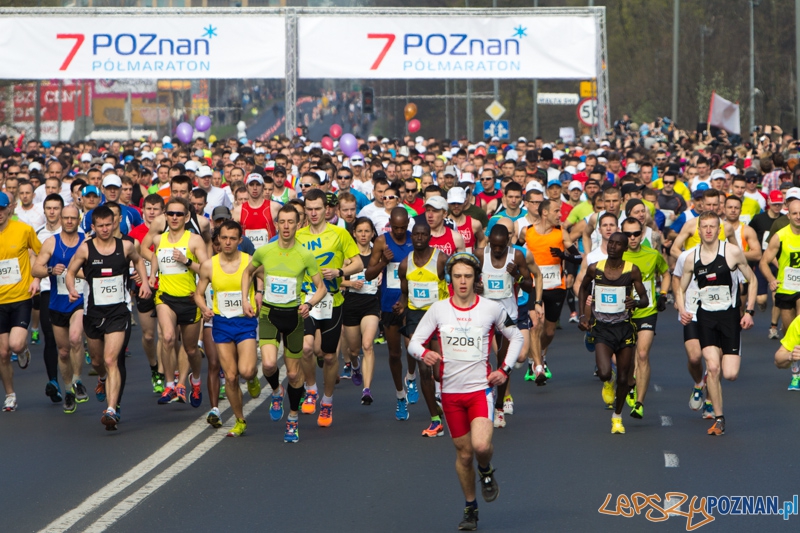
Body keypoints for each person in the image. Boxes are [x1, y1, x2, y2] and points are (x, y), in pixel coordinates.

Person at [408, 253, 523, 531]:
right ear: (450, 280)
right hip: (449, 394)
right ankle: (471, 507)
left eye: (468, 276)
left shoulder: (490, 309)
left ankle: (486, 470)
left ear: (476, 280)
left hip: (479, 391)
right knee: (464, 455)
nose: (462, 281)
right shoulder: (438, 310)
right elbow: (413, 343)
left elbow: (516, 336)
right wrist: (425, 354)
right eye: (457, 276)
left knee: (481, 447)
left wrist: (504, 369)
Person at [242, 204, 327, 442]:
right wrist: (245, 300)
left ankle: (292, 418)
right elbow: (247, 273)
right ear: (276, 224)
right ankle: (276, 392)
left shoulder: (305, 255)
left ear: (298, 225)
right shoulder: (265, 251)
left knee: (292, 373)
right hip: (269, 313)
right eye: (282, 222)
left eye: (291, 222)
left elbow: (322, 287)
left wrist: (309, 304)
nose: (286, 226)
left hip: (293, 317)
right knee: (268, 365)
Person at [65, 205, 151, 429]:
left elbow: (140, 260)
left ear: (115, 224)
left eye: (108, 225)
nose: (105, 229)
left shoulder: (125, 247)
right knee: (97, 361)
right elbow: (71, 271)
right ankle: (102, 379)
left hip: (118, 311)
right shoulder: (86, 249)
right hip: (93, 312)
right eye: (100, 226)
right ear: (93, 227)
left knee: (112, 359)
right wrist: (72, 289)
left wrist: (145, 283)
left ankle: (112, 409)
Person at [675, 213, 757, 436]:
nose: (709, 230)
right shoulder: (692, 257)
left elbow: (752, 280)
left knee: (730, 374)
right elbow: (680, 288)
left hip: (729, 317)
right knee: (713, 367)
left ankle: (712, 380)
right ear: (699, 231)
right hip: (706, 318)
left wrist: (749, 311)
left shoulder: (731, 252)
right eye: (705, 227)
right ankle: (719, 419)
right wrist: (683, 310)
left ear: (719, 230)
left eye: (713, 227)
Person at [296, 189, 363, 427]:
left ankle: (327, 401)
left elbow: (358, 262)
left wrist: (339, 272)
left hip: (333, 300)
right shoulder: (298, 235)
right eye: (309, 209)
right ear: (305, 209)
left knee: (329, 354)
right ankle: (311, 389)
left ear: (327, 209)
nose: (313, 213)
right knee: (305, 348)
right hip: (306, 298)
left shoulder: (340, 234)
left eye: (318, 208)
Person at [578, 232, 649, 433]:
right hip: (602, 328)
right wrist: (584, 317)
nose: (613, 246)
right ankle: (607, 381)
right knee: (604, 372)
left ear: (625, 248)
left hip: (624, 328)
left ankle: (617, 417)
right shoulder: (595, 268)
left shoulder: (632, 270)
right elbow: (583, 289)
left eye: (618, 244)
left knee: (625, 378)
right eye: (611, 242)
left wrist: (635, 302)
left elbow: (644, 299)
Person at [474, 224, 542, 425]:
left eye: (500, 246)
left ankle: (499, 408)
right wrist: (475, 286)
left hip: (507, 315)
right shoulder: (479, 255)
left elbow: (529, 286)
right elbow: (466, 279)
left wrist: (518, 276)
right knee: (480, 359)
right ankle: (482, 401)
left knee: (504, 362)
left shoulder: (516, 256)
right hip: (484, 313)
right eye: (493, 246)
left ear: (508, 243)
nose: (496, 250)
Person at [195, 220, 258, 435]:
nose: (228, 242)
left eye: (233, 238)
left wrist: (257, 297)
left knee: (247, 370)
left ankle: (252, 378)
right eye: (224, 238)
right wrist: (204, 307)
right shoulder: (209, 265)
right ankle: (240, 420)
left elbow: (264, 281)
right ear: (218, 240)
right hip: (221, 323)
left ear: (240, 240)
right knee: (230, 377)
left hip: (244, 321)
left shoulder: (250, 261)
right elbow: (198, 293)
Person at [148, 198, 210, 407]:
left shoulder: (194, 240)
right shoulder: (159, 239)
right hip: (165, 297)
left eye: (179, 214)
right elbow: (152, 255)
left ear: (187, 217)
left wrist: (186, 261)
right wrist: (151, 274)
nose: (174, 217)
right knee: (167, 337)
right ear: (165, 215)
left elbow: (206, 269)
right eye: (171, 214)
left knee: (191, 349)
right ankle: (170, 384)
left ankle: (193, 380)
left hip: (190, 299)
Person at [31, 204, 89, 413]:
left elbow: (95, 267)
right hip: (57, 301)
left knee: (75, 338)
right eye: (66, 218)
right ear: (62, 220)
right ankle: (68, 391)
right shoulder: (51, 242)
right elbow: (35, 269)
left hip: (79, 299)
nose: (69, 221)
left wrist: (79, 273)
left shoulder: (86, 242)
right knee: (63, 351)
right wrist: (50, 270)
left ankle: (77, 379)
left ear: (78, 219)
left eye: (73, 218)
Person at [397, 221, 449, 434]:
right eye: (415, 235)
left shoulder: (441, 260)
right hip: (416, 318)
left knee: (439, 372)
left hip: (438, 316)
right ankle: (435, 418)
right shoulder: (405, 263)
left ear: (429, 236)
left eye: (423, 234)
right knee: (424, 369)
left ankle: (446, 401)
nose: (419, 238)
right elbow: (404, 291)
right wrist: (400, 304)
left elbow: (455, 283)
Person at [521, 199, 580, 382]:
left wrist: (563, 255)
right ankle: (538, 367)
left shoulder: (561, 233)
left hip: (556, 287)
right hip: (533, 286)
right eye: (557, 211)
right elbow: (514, 250)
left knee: (549, 332)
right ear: (544, 213)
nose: (560, 215)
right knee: (536, 324)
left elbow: (578, 257)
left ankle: (537, 356)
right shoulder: (527, 232)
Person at [364, 207, 417, 411]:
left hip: (411, 301)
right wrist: (384, 261)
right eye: (396, 228)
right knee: (394, 354)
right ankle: (400, 396)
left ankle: (411, 376)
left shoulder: (415, 240)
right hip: (388, 303)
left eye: (403, 227)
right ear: (390, 224)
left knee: (412, 346)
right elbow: (369, 274)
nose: (400, 231)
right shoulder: (382, 241)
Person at [620, 217, 670, 419]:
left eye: (636, 234)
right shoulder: (617, 256)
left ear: (642, 234)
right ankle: (631, 383)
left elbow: (666, 273)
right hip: (623, 315)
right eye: (627, 234)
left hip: (647, 311)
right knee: (627, 358)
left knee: (642, 354)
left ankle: (639, 403)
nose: (632, 238)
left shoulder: (652, 254)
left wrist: (664, 294)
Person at [0, 192, 40, 412]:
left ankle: (23, 350)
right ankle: (10, 394)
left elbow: (42, 253)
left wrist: (36, 278)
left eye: (2, 209)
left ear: (9, 209)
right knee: (2, 353)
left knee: (15, 345)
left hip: (21, 297)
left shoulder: (23, 230)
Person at [760, 190, 800, 390]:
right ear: (789, 215)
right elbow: (764, 262)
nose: (798, 216)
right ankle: (795, 373)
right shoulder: (780, 236)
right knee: (790, 330)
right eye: (794, 213)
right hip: (786, 288)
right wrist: (771, 279)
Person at [340, 217, 380, 406]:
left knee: (367, 345)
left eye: (367, 231)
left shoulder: (377, 254)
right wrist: (350, 283)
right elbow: (336, 280)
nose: (363, 235)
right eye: (360, 231)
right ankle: (354, 365)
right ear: (354, 233)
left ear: (372, 233)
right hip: (351, 305)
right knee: (354, 350)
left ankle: (367, 390)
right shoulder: (348, 256)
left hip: (370, 305)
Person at [128, 194, 166, 393]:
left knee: (164, 334)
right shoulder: (136, 233)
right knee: (149, 336)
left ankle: (162, 371)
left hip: (165, 287)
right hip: (145, 288)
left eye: (156, 209)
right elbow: (130, 260)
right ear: (143, 211)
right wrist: (134, 275)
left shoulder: (168, 231)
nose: (152, 212)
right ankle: (153, 366)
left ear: (162, 211)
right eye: (149, 208)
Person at [232, 173, 280, 249]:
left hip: (269, 254)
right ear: (247, 187)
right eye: (251, 185)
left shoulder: (274, 207)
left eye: (258, 184)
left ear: (263, 187)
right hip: (247, 255)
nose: (255, 188)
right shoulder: (238, 211)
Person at [448, 187, 486, 253]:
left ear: (465, 202)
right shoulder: (442, 224)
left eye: (459, 203)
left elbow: (482, 240)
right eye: (453, 203)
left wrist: (479, 256)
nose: (456, 206)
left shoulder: (474, 224)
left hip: (469, 261)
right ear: (448, 203)